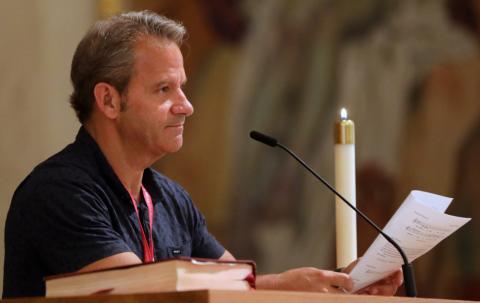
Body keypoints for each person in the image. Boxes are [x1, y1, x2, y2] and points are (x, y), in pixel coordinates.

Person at [2, 11, 402, 298]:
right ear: (108, 99)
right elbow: (143, 292)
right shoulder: (59, 192)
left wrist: (334, 285)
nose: (186, 105)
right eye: (164, 90)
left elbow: (237, 286)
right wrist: (284, 283)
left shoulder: (172, 200)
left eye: (183, 87)